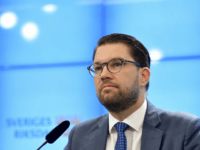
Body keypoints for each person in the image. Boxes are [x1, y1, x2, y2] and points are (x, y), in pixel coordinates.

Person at [64, 33, 200, 150]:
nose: (104, 74)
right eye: (98, 68)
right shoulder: (80, 135)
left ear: (143, 76)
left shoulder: (185, 130)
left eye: (116, 64)